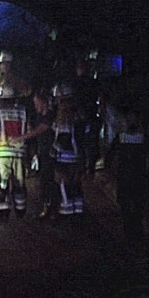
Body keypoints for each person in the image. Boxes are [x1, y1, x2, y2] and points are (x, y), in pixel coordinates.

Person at [104, 106, 149, 244]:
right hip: (138, 176)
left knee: (126, 205)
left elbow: (110, 155)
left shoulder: (122, 137)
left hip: (126, 176)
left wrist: (107, 168)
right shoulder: (142, 137)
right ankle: (136, 233)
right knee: (136, 206)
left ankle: (130, 233)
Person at [0, 84, 29, 220]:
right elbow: (28, 130)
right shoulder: (23, 111)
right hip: (19, 152)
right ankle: (20, 210)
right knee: (19, 182)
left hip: (3, 152)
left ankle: (3, 211)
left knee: (3, 182)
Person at [20, 89, 56, 219]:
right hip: (42, 152)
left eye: (37, 103)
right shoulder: (39, 116)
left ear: (43, 102)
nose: (35, 106)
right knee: (42, 181)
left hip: (50, 153)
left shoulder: (50, 116)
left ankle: (50, 208)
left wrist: (21, 137)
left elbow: (39, 130)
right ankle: (46, 207)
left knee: (48, 181)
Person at [50, 82, 84, 216]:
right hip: (77, 156)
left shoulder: (64, 115)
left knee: (64, 184)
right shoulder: (78, 114)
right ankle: (78, 212)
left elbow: (64, 137)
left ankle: (67, 212)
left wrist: (53, 151)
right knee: (76, 185)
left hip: (65, 157)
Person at [73, 58, 102, 180]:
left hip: (85, 115)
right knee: (89, 142)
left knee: (83, 142)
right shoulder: (92, 82)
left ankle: (85, 167)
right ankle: (87, 167)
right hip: (88, 115)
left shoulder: (78, 83)